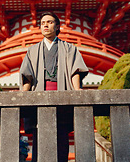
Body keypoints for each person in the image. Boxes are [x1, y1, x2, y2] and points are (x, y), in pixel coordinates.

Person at [19, 11, 89, 162]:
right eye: (43, 23)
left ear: (57, 26)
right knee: (39, 134)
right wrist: (23, 95)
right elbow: (27, 75)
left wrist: (77, 91)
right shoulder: (32, 50)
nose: (45, 25)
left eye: (50, 22)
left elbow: (74, 70)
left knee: (61, 133)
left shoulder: (69, 48)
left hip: (62, 92)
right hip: (39, 94)